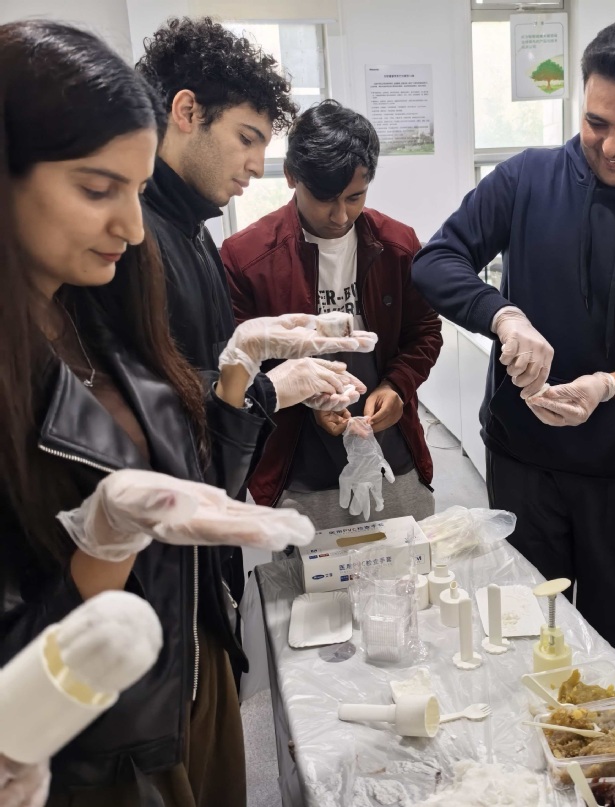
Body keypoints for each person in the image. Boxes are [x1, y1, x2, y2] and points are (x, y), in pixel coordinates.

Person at [0, 20, 367, 806]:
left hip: (179, 650)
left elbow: (191, 462)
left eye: (134, 192)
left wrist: (241, 373)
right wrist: (107, 538)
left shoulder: (108, 287)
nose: (130, 228)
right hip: (97, 727)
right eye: (97, 189)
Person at [411, 14, 615, 674]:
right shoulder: (526, 179)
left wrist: (610, 385)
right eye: (595, 121)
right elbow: (436, 260)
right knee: (525, 634)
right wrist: (504, 316)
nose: (612, 145)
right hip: (522, 462)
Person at [133, 18, 373, 600]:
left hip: (204, 527)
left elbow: (207, 367)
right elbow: (156, 410)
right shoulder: (135, 238)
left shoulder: (192, 229)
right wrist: (268, 388)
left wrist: (266, 350)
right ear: (186, 111)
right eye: (246, 138)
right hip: (161, 552)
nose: (255, 164)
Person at [222, 100, 442, 527]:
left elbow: (425, 332)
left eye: (355, 197)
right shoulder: (246, 258)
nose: (341, 216)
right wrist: (305, 397)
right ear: (291, 176)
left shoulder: (397, 245)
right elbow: (237, 365)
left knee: (409, 556)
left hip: (391, 450)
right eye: (324, 199)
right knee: (307, 568)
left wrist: (397, 386)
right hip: (296, 463)